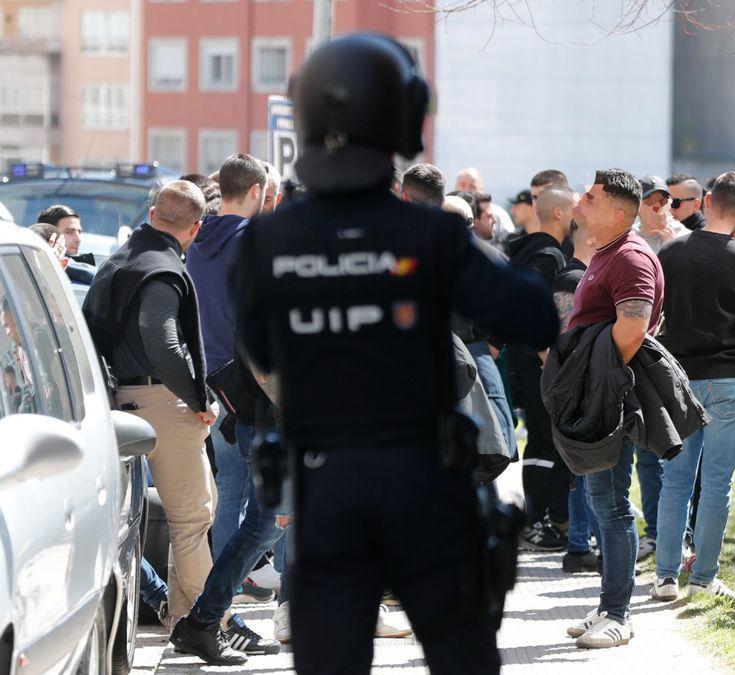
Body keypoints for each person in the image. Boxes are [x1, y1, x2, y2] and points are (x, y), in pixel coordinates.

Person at [230, 34, 558, 674]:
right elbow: (534, 314)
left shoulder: (266, 241)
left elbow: (261, 346)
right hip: (422, 486)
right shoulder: (430, 234)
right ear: (401, 120)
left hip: (323, 491)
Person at [82, 181, 224, 638]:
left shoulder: (117, 260)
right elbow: (163, 344)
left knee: (144, 520)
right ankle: (204, 624)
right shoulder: (161, 269)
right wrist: (201, 398)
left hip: (119, 400)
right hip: (161, 400)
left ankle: (182, 617)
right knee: (192, 519)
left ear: (152, 213)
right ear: (196, 228)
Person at [167, 153, 289, 661]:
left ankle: (206, 617)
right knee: (266, 516)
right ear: (259, 190)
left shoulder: (201, 243)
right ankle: (204, 618)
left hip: (228, 392)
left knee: (251, 510)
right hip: (267, 396)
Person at [652, 171, 735, 601]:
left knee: (675, 480)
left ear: (705, 203)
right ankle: (703, 576)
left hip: (679, 377)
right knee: (718, 482)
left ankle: (665, 574)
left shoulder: (670, 252)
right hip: (731, 376)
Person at [561, 168, 664, 648]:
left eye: (590, 197)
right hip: (598, 395)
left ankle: (619, 613)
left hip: (611, 399)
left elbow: (632, 327)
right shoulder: (608, 253)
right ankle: (607, 604)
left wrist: (596, 380)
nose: (579, 202)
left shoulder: (630, 258)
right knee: (602, 502)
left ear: (619, 213)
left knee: (612, 505)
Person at [507, 186, 571, 551]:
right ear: (559, 214)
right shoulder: (547, 257)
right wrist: (548, 359)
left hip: (528, 360)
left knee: (542, 437)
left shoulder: (531, 250)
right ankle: (536, 519)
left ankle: (538, 518)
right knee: (545, 438)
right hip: (537, 362)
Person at [555, 218, 603, 574]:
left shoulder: (575, 278)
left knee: (580, 470)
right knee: (592, 468)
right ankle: (591, 545)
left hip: (571, 384)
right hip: (580, 384)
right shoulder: (575, 281)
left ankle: (578, 546)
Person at [636, 175, 686, 253]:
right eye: (652, 201)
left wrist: (672, 246)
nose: (659, 207)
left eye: (664, 201)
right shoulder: (628, 236)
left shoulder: (683, 236)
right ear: (637, 208)